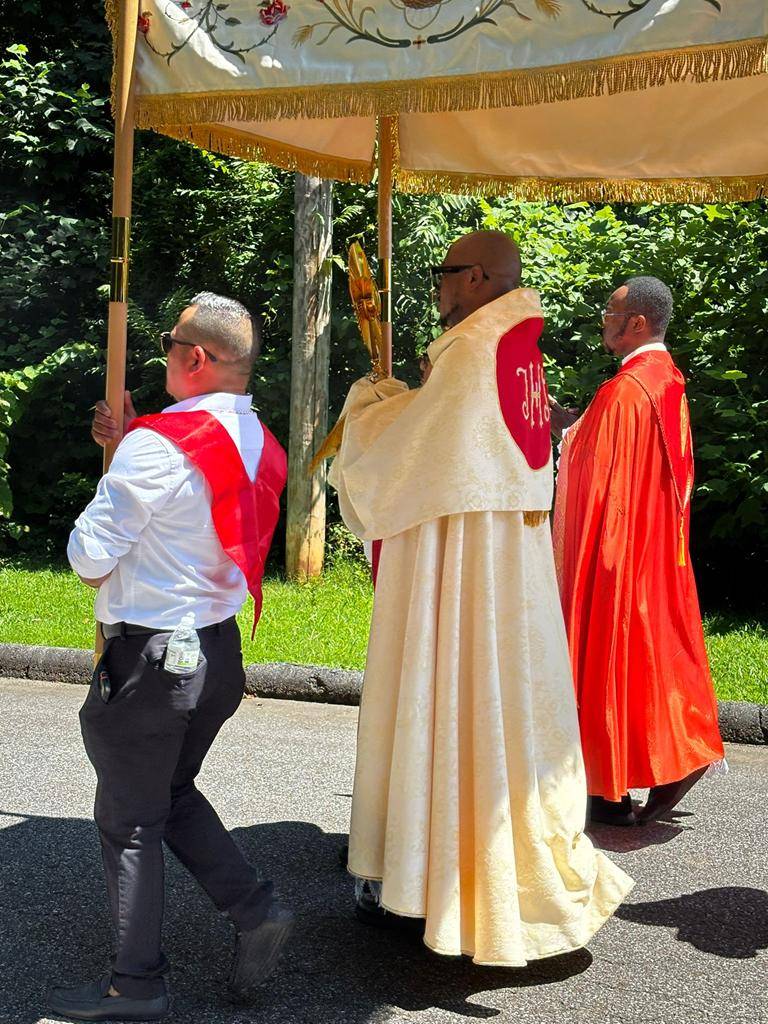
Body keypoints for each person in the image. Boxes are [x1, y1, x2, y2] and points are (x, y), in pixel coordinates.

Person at [328, 230, 633, 966]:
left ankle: (436, 881)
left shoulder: (471, 353)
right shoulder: (518, 348)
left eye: (447, 272)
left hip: (459, 570)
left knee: (449, 701)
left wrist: (372, 404)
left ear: (480, 278)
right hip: (510, 575)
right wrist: (419, 395)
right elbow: (448, 440)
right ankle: (481, 873)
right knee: (503, 713)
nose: (438, 285)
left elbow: (406, 458)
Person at [49, 293, 291, 1022]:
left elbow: (88, 557)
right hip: (218, 654)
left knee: (129, 822)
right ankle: (255, 909)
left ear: (196, 358)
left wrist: (127, 454)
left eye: (168, 343)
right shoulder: (257, 438)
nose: (162, 355)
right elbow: (197, 482)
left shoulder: (157, 446)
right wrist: (136, 439)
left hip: (152, 663)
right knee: (171, 793)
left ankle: (137, 985)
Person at [553, 276, 724, 827]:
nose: (603, 320)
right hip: (658, 546)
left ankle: (609, 790)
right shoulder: (666, 378)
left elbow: (595, 472)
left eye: (610, 312)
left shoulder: (626, 390)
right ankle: (673, 757)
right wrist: (576, 425)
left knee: (611, 654)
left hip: (620, 547)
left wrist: (563, 434)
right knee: (654, 654)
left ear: (638, 323)